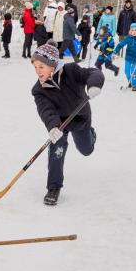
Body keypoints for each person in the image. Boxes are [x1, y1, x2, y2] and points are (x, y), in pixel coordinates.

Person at [31, 40, 104, 206]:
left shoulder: (71, 70)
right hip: (60, 124)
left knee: (86, 150)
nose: (37, 71)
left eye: (41, 67)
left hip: (80, 118)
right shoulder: (38, 90)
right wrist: (53, 127)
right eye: (35, 67)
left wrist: (94, 85)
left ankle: (91, 135)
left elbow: (94, 73)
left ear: (53, 65)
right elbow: (46, 110)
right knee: (57, 150)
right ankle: (53, 187)